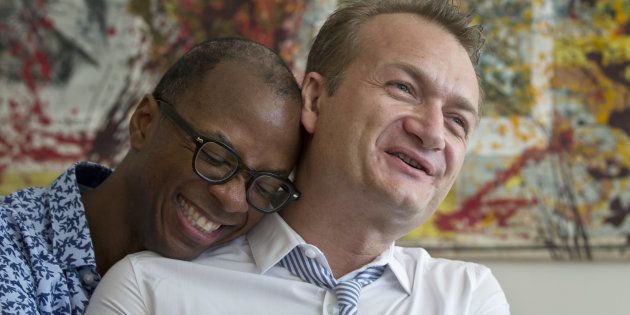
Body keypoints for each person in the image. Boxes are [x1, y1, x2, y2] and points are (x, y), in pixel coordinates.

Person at [87, 0, 510, 314]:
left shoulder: (468, 298)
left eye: (457, 120)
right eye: (403, 88)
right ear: (315, 98)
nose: (433, 132)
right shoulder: (149, 291)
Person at [0, 38, 302, 314]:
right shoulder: (11, 251)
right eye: (215, 157)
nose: (235, 202)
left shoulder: (233, 288)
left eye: (265, 186)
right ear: (144, 123)